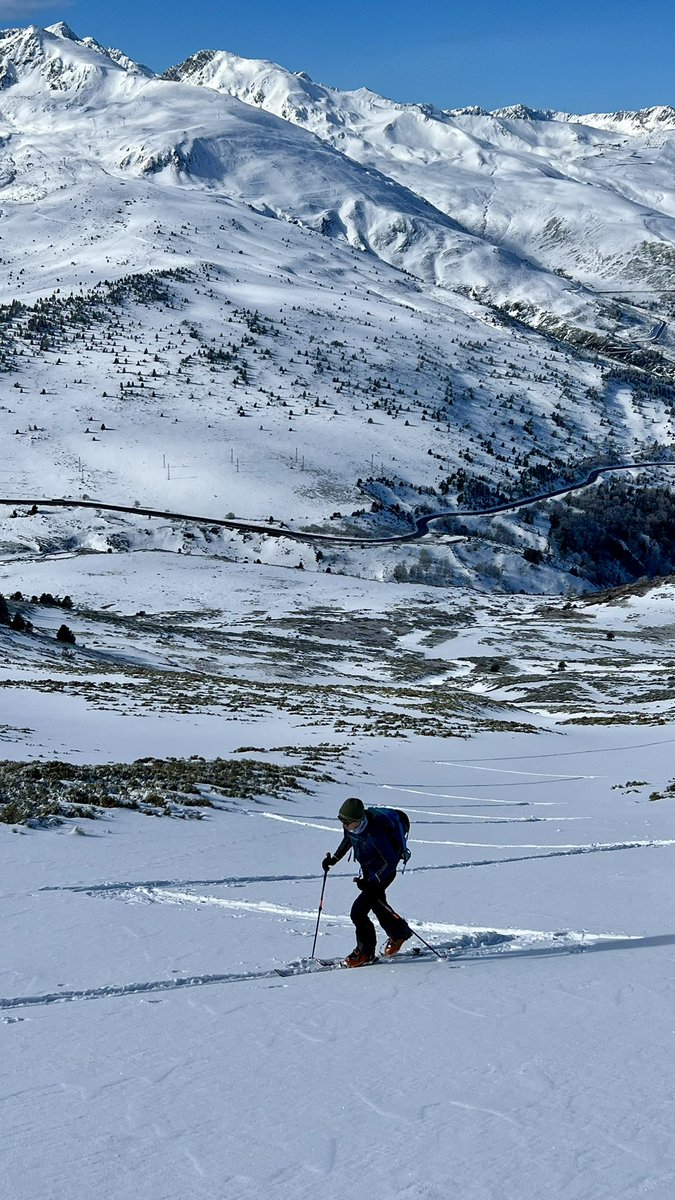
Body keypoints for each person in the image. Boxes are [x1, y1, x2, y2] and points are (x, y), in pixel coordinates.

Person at [322, 796, 412, 967]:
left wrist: (372, 882)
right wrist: (334, 859)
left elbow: (390, 862)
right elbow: (348, 839)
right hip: (368, 871)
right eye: (342, 821)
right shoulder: (351, 827)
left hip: (383, 873)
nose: (345, 826)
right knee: (378, 906)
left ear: (359, 819)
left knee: (358, 912)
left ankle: (365, 952)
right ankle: (399, 933)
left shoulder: (375, 832)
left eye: (348, 822)